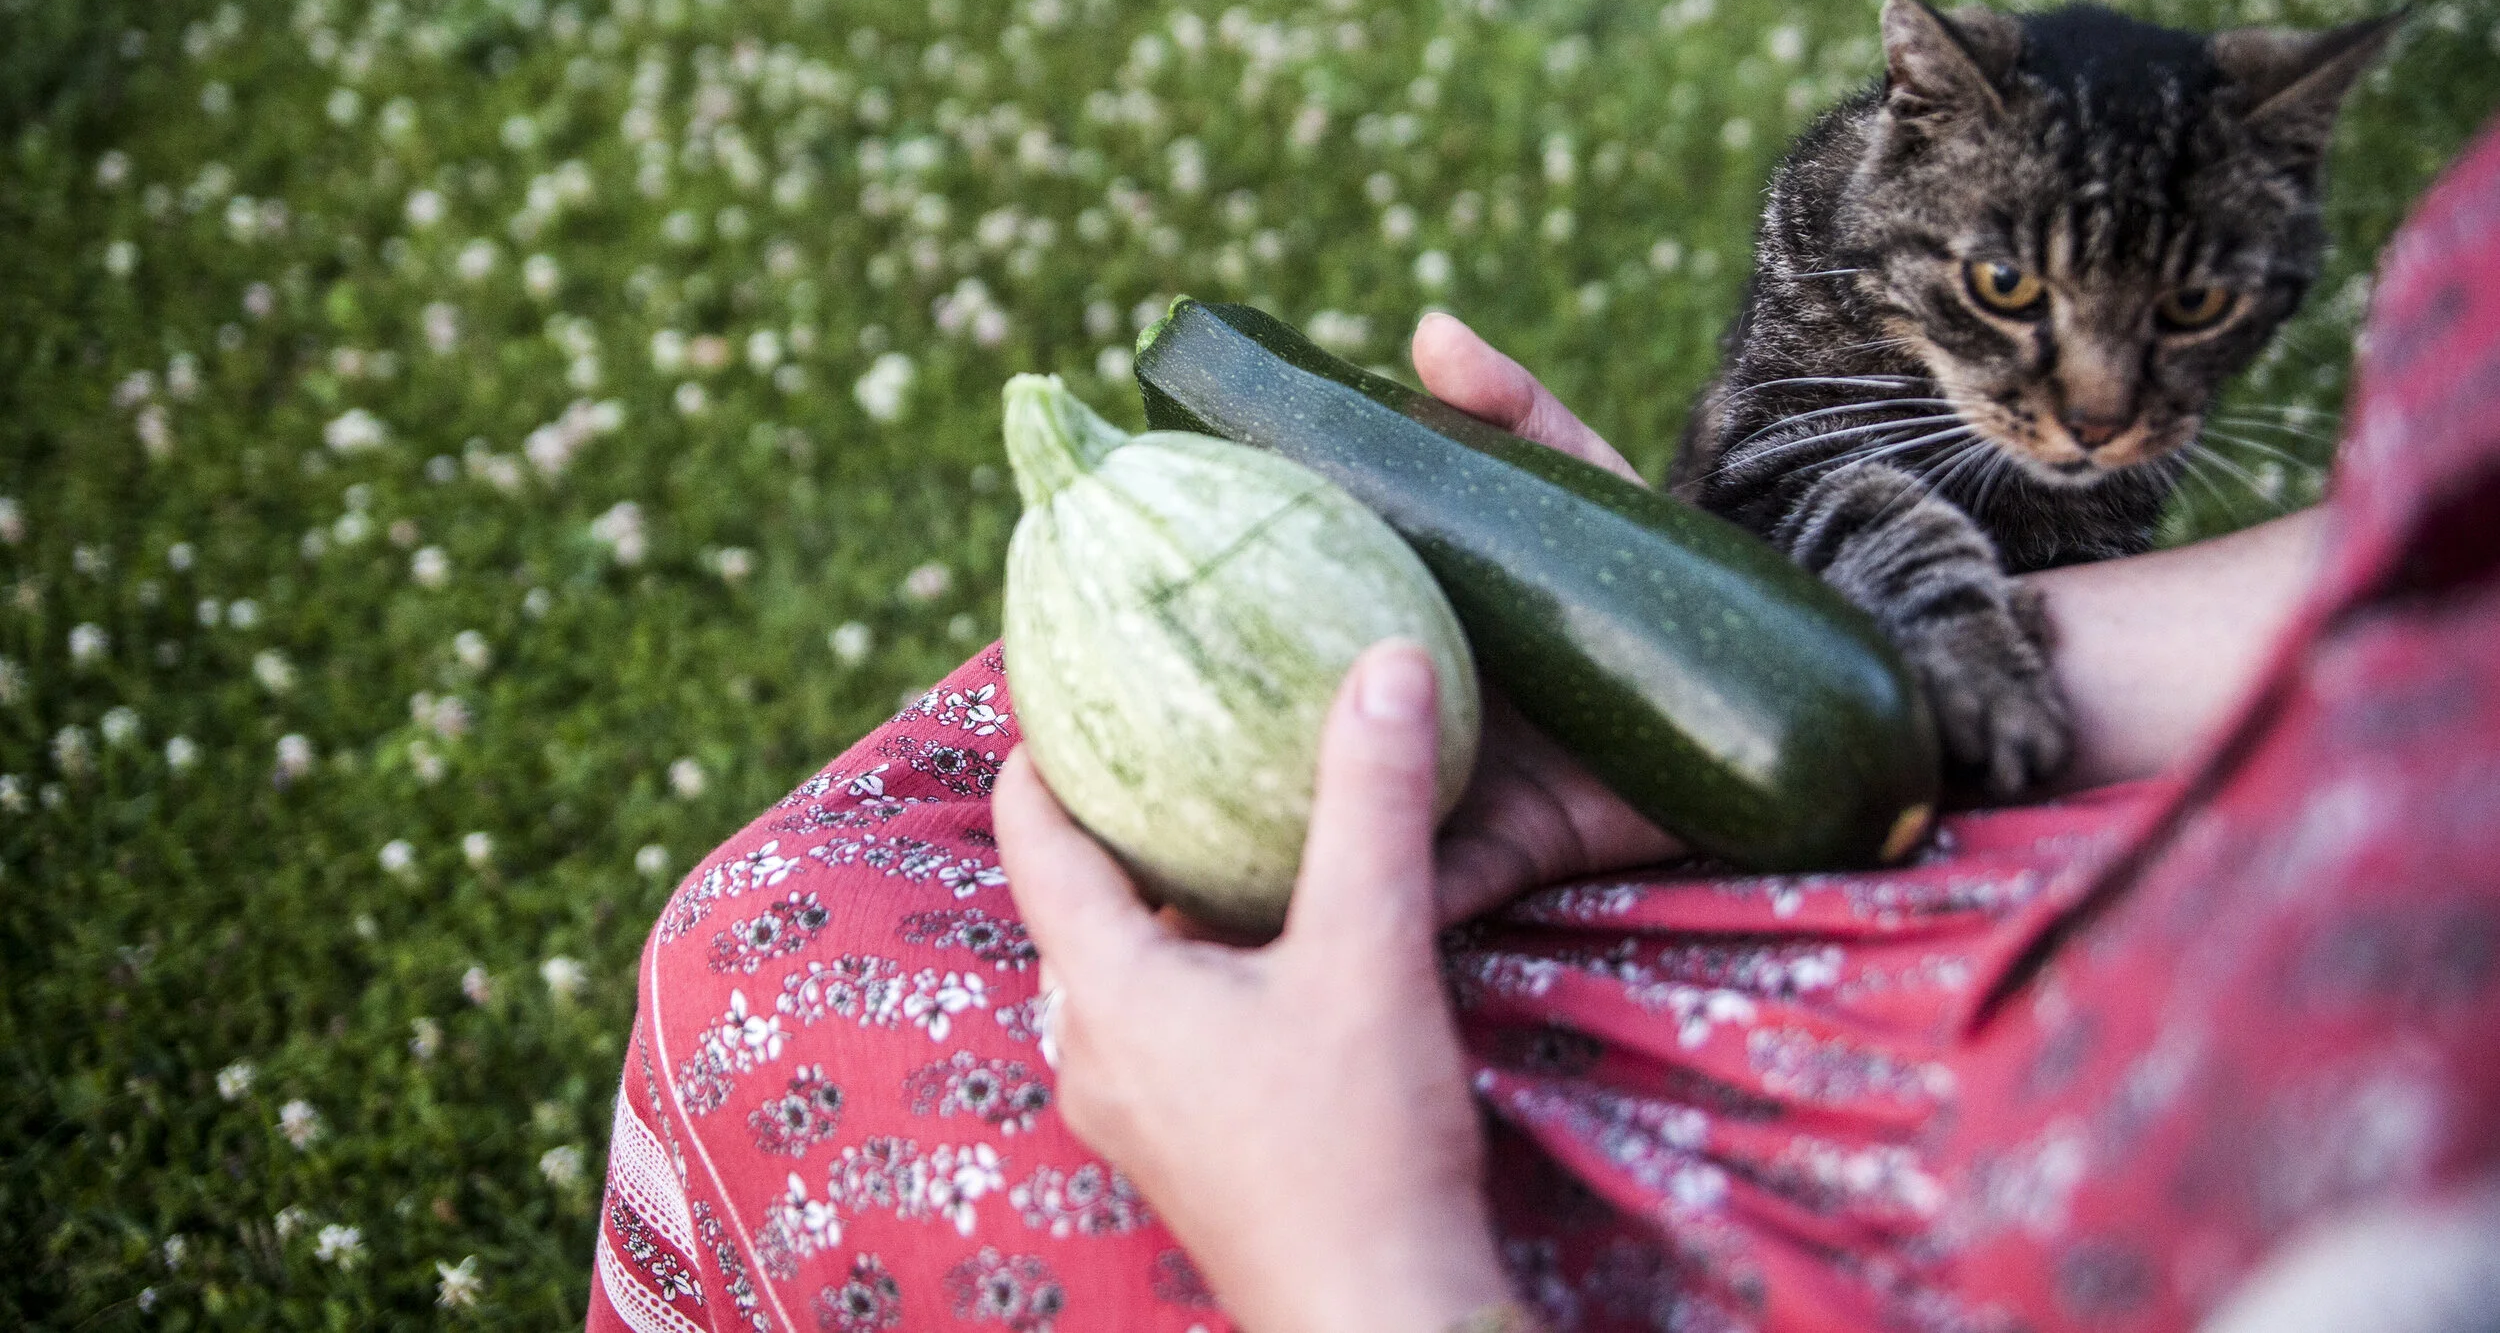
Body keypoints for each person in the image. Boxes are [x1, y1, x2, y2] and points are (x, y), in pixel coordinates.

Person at [586, 120, 2500, 1333]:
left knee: (813, 974)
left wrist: (1347, 1250)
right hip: (2135, 875)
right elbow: (2431, 591)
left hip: (1997, 1195)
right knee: (901, 846)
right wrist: (1876, 662)